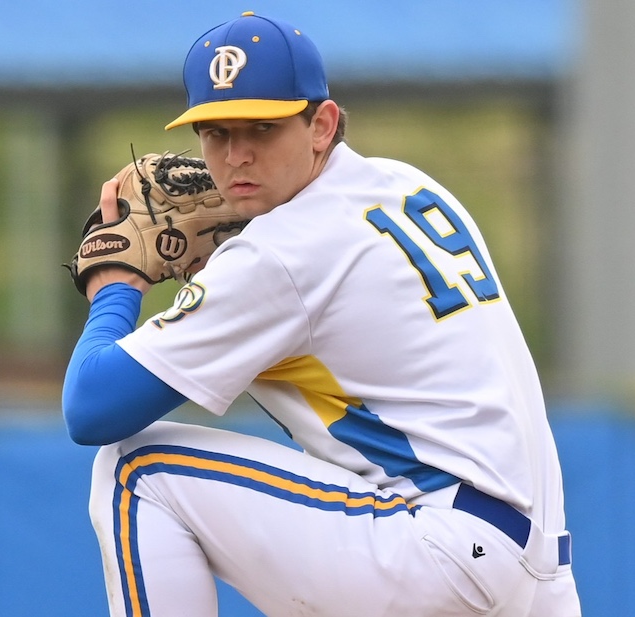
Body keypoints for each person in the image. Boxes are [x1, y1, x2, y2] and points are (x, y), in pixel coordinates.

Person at [62, 11, 581, 617]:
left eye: (261, 127)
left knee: (134, 471)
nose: (237, 157)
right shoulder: (406, 184)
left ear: (321, 124)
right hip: (535, 571)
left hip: (436, 551)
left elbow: (93, 407)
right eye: (216, 133)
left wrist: (116, 284)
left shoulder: (276, 254)